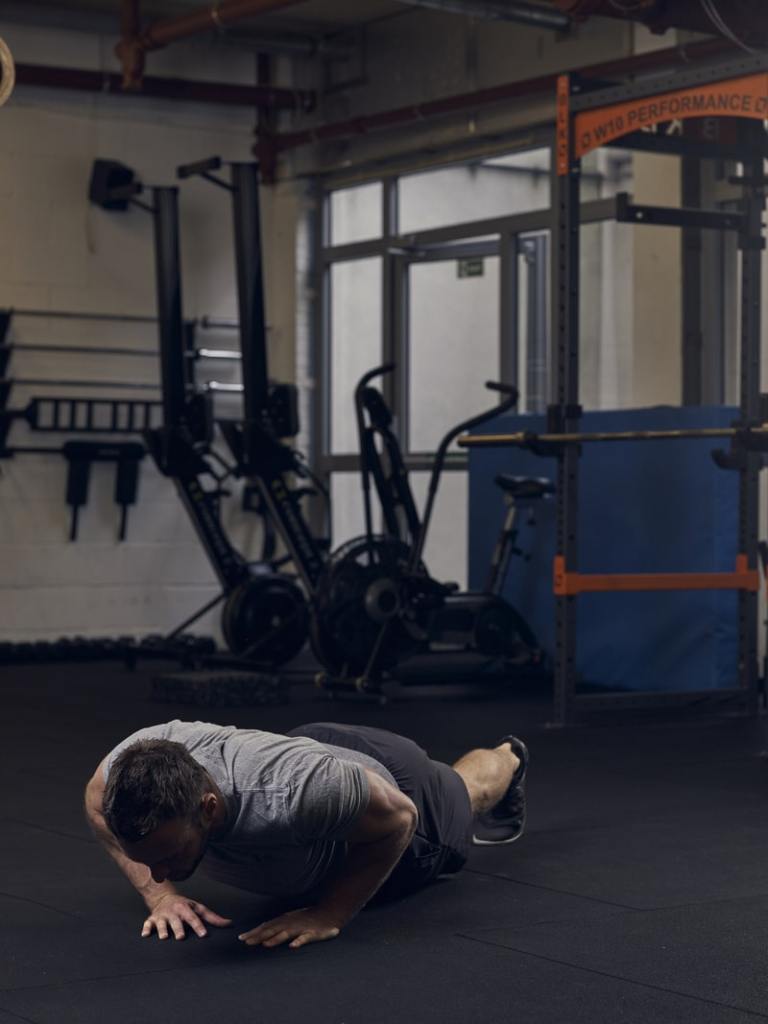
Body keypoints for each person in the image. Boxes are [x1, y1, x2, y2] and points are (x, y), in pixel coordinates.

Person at [84, 719, 529, 951]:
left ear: (209, 807)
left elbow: (399, 819)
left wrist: (328, 914)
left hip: (392, 790)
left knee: (469, 791)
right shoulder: (129, 767)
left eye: (169, 855)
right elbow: (94, 803)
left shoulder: (290, 793)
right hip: (313, 754)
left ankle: (510, 755)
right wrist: (159, 899)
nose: (159, 874)